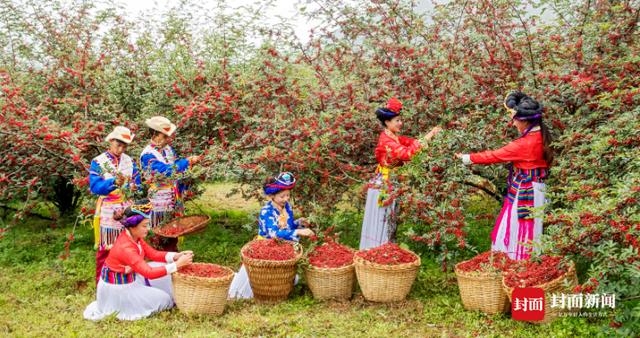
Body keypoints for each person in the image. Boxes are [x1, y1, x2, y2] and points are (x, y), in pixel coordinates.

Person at [455, 91, 553, 260]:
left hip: (526, 190)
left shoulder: (524, 144)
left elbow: (494, 155)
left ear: (524, 121)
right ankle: (525, 266)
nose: (513, 123)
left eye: (515, 120)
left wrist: (466, 158)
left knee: (517, 231)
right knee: (532, 231)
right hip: (537, 188)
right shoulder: (542, 136)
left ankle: (514, 266)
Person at [83, 202, 194, 321]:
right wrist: (177, 265)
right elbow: (149, 272)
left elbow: (153, 254)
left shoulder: (135, 237)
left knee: (164, 267)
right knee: (165, 300)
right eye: (144, 226)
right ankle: (125, 304)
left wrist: (176, 256)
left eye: (148, 225)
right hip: (119, 290)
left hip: (130, 277)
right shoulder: (126, 247)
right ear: (132, 227)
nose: (148, 229)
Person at [359, 97, 441, 250]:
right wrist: (429, 136)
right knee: (383, 220)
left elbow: (411, 143)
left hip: (389, 182)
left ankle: (384, 250)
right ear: (387, 122)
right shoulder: (387, 141)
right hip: (384, 184)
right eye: (397, 120)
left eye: (400, 120)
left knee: (388, 219)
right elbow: (408, 154)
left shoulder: (393, 137)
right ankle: (377, 252)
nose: (400, 123)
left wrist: (431, 135)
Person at [228, 172, 314, 299]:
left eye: (288, 195)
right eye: (282, 196)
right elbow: (274, 233)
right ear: (272, 196)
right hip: (266, 247)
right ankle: (264, 292)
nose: (286, 199)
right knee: (264, 277)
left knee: (281, 276)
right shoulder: (266, 212)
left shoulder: (286, 207)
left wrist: (299, 223)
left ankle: (278, 291)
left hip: (282, 247)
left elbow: (287, 227)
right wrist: (298, 232)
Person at [140, 116, 203, 250]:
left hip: (172, 196)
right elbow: (165, 171)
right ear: (155, 135)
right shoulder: (147, 155)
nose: (168, 139)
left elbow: (177, 172)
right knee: (159, 230)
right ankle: (159, 260)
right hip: (159, 199)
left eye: (169, 136)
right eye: (165, 136)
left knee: (173, 230)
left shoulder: (168, 150)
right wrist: (187, 162)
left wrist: (185, 181)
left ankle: (172, 257)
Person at [89, 126, 140, 284]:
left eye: (124, 146)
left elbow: (137, 184)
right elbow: (95, 187)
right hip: (108, 209)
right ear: (111, 141)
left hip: (126, 207)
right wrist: (113, 182)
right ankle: (102, 283)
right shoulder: (98, 162)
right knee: (107, 248)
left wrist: (133, 187)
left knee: (128, 246)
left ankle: (125, 281)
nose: (121, 149)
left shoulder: (129, 162)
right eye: (119, 144)